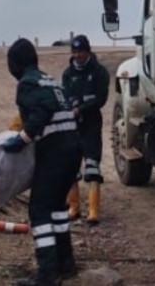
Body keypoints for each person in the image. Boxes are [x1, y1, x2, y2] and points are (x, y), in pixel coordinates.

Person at [3, 38, 81, 286]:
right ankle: (65, 264)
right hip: (72, 149)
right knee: (58, 208)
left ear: (15, 63)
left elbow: (43, 112)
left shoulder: (27, 83)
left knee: (39, 210)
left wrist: (22, 139)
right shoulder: (49, 80)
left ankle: (47, 275)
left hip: (56, 152)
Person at [61, 34, 111, 225]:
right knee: (71, 167)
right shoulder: (68, 74)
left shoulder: (99, 72)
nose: (78, 56)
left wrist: (81, 109)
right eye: (74, 52)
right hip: (72, 126)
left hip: (91, 124)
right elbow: (64, 96)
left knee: (92, 167)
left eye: (81, 52)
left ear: (88, 51)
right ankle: (74, 208)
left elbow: (101, 99)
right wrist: (69, 109)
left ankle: (93, 211)